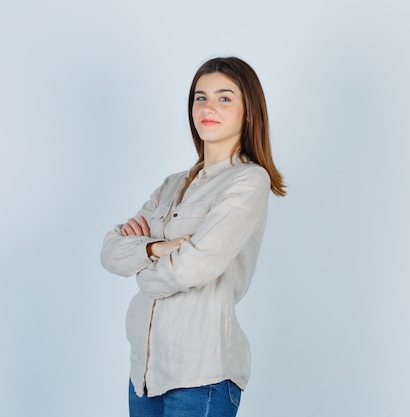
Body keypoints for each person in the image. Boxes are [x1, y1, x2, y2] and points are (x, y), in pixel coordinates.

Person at [100, 56, 286, 417]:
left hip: (202, 376)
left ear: (249, 111)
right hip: (145, 372)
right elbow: (109, 251)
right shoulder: (171, 185)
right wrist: (159, 247)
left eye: (224, 97)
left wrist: (140, 263)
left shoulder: (248, 181)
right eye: (200, 97)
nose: (208, 107)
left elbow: (192, 268)